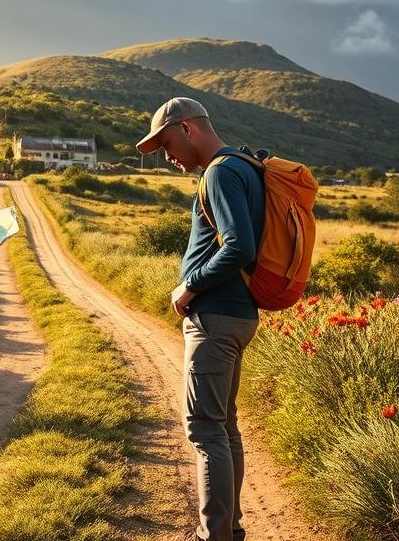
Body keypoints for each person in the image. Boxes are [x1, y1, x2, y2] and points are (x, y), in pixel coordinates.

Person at [136, 97, 264, 541]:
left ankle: (215, 535)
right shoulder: (244, 165)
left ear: (188, 128)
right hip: (238, 314)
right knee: (224, 427)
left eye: (167, 143)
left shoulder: (221, 172)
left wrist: (189, 287)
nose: (167, 157)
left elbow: (239, 247)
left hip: (216, 317)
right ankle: (231, 528)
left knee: (206, 430)